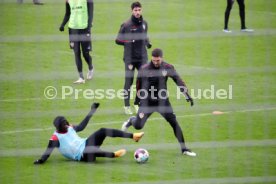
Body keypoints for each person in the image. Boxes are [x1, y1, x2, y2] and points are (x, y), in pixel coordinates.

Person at [121, 48, 196, 157]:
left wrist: (186, 94)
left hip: (163, 102)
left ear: (162, 58)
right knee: (138, 126)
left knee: (174, 123)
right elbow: (138, 83)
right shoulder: (144, 69)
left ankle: (184, 149)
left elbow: (178, 80)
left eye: (158, 60)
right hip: (147, 102)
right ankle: (131, 120)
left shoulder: (167, 67)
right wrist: (138, 100)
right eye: (154, 60)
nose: (156, 62)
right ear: (152, 58)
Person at [33, 103, 144, 164]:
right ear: (58, 127)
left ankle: (134, 136)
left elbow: (82, 126)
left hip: (86, 144)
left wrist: (92, 111)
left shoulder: (69, 128)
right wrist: (41, 160)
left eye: (66, 122)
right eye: (63, 125)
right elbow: (47, 153)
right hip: (82, 156)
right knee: (89, 150)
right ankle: (113, 155)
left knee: (102, 130)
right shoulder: (55, 138)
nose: (66, 125)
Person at [115, 1, 152, 115]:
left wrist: (148, 43)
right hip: (130, 58)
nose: (137, 12)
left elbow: (144, 36)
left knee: (143, 81)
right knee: (129, 81)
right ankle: (126, 106)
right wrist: (129, 42)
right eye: (135, 10)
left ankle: (137, 103)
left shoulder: (144, 23)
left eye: (139, 10)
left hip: (142, 58)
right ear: (132, 11)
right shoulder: (126, 25)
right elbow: (118, 40)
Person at [59, 0, 94, 84]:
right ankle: (81, 77)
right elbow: (68, 13)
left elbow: (90, 14)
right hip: (73, 29)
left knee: (85, 53)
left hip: (84, 29)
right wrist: (62, 24)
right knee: (76, 52)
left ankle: (91, 67)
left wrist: (88, 27)